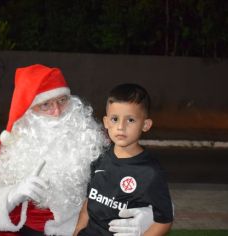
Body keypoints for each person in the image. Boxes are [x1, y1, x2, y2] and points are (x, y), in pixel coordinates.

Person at [0, 64, 153, 235]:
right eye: (46, 104)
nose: (58, 112)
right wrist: (12, 195)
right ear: (28, 111)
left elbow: (139, 178)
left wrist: (149, 213)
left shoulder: (92, 139)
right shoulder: (9, 147)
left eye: (62, 100)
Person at [74, 83, 173, 236]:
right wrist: (77, 231)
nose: (121, 126)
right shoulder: (99, 158)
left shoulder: (151, 172)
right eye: (115, 119)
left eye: (131, 120)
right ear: (106, 122)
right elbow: (88, 203)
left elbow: (164, 220)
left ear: (145, 125)